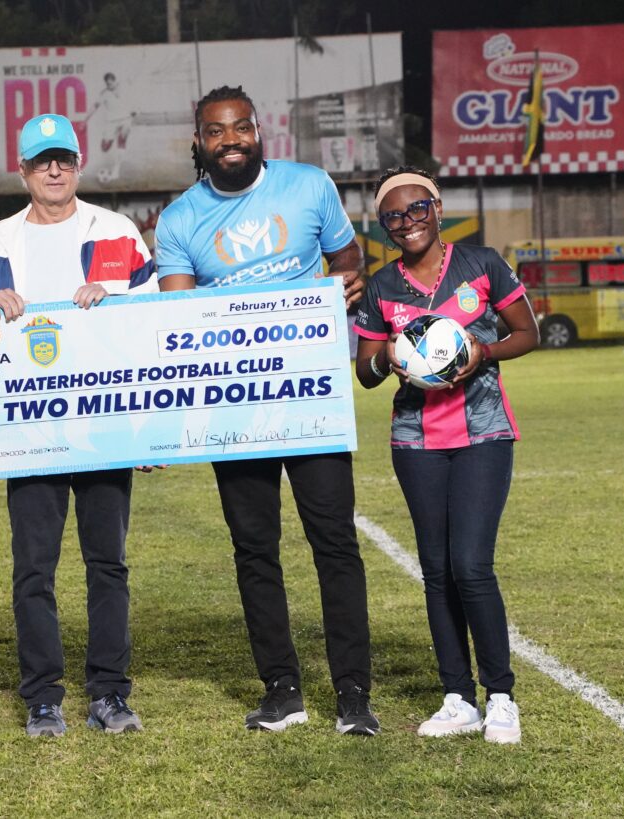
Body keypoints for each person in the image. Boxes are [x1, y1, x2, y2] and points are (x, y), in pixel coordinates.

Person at [153, 85, 377, 736]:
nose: (230, 140)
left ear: (259, 131)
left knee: (334, 542)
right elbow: (180, 313)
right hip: (236, 405)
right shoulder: (179, 219)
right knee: (254, 549)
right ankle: (282, 689)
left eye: (241, 127)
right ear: (199, 142)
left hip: (310, 395)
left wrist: (350, 280)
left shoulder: (308, 186)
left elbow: (347, 259)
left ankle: (353, 693)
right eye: (216, 131)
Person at [0, 113, 156, 737]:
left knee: (108, 564)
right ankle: (43, 697)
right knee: (33, 570)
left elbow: (154, 322)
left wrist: (114, 299)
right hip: (29, 433)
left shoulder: (117, 231)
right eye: (42, 161)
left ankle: (109, 693)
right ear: (22, 170)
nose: (54, 170)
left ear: (78, 164)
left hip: (104, 426)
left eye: (63, 158)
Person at [354, 166, 539, 744]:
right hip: (416, 441)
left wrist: (483, 351)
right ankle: (458, 698)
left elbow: (527, 333)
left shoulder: (481, 263)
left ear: (437, 208)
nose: (407, 222)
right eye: (393, 216)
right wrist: (389, 356)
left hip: (483, 432)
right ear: (383, 226)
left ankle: (501, 696)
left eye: (417, 209)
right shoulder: (382, 286)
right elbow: (365, 372)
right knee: (436, 571)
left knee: (472, 566)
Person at [86, 72, 134, 182]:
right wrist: (85, 119)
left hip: (125, 119)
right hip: (111, 122)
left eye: (111, 83)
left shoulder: (124, 86)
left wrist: (135, 110)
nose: (110, 86)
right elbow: (95, 106)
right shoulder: (104, 94)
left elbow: (135, 82)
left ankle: (116, 171)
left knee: (122, 141)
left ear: (115, 81)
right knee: (105, 148)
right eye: (108, 84)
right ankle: (107, 144)